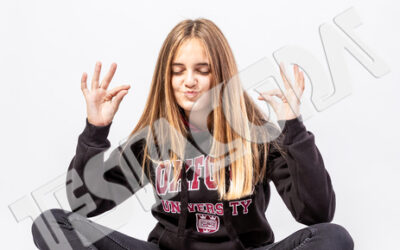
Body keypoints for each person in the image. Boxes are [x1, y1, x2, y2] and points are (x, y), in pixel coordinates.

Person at [31, 18, 354, 250]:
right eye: (178, 71)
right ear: (166, 78)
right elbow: (84, 204)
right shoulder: (153, 141)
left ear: (221, 74)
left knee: (333, 236)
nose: (189, 81)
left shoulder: (258, 137)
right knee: (50, 224)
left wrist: (292, 125)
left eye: (202, 70)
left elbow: (317, 215)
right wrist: (95, 130)